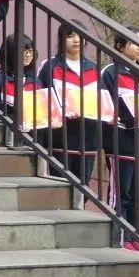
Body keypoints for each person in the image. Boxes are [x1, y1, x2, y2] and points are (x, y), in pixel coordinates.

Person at [38, 23, 110, 185]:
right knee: (60, 187)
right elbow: (41, 98)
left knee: (83, 188)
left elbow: (103, 100)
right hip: (60, 137)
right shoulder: (50, 66)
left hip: (88, 138)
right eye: (70, 36)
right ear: (61, 39)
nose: (76, 40)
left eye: (80, 35)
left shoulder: (93, 68)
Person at [103, 30, 139, 244]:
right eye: (134, 42)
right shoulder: (109, 72)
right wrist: (130, 118)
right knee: (121, 192)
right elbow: (108, 104)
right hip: (121, 140)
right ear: (119, 46)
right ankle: (120, 236)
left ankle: (135, 236)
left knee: (137, 193)